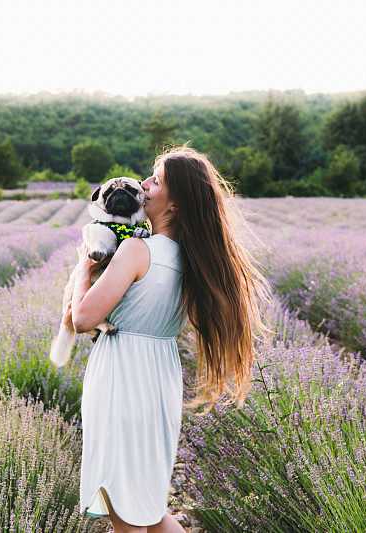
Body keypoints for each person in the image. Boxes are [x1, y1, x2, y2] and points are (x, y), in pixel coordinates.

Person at [66, 145, 273, 533]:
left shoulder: (135, 250)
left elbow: (83, 319)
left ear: (173, 204)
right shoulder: (189, 258)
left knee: (124, 507)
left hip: (122, 382)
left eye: (155, 180)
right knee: (149, 503)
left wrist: (84, 266)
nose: (144, 185)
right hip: (158, 380)